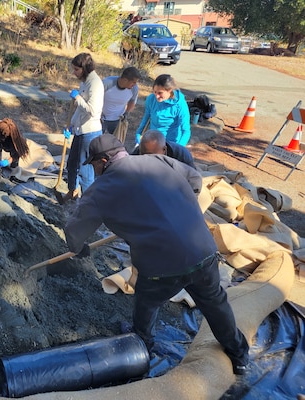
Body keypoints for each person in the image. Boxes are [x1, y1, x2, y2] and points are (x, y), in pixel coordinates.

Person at [64, 133, 250, 375]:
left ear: (103, 161)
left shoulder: (101, 189)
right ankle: (240, 356)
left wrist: (78, 248)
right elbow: (194, 179)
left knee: (147, 302)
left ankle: (142, 348)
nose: (95, 170)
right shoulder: (157, 161)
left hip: (161, 266)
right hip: (203, 252)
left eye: (94, 164)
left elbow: (74, 230)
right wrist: (178, 205)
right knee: (215, 304)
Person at [62, 53, 104, 203]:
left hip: (90, 133)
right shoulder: (84, 82)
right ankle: (72, 192)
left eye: (76, 70)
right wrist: (71, 126)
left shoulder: (95, 84)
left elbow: (93, 111)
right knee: (72, 164)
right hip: (79, 131)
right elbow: (79, 110)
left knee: (85, 170)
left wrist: (78, 98)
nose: (74, 73)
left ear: (84, 68)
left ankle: (88, 203)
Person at [135, 74, 191, 146]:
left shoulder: (180, 105)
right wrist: (138, 133)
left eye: (160, 93)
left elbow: (186, 131)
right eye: (155, 92)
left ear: (169, 91)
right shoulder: (151, 99)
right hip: (154, 140)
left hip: (172, 143)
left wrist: (179, 148)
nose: (157, 96)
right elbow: (146, 118)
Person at [101, 66, 141, 136]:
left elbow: (132, 101)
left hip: (117, 121)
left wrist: (127, 113)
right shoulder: (107, 83)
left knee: (115, 144)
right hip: (101, 119)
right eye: (133, 82)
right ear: (125, 80)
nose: (135, 85)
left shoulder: (134, 89)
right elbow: (96, 97)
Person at [131, 129, 196, 169]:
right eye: (143, 155)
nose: (147, 158)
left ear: (164, 150)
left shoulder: (182, 156)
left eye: (151, 156)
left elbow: (193, 181)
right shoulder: (137, 152)